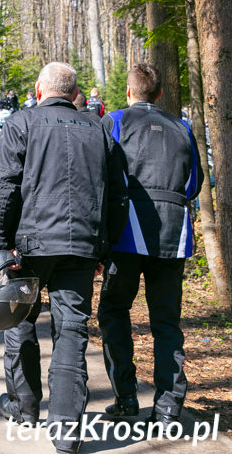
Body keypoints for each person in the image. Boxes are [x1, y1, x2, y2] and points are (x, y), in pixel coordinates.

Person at [0, 62, 128, 454]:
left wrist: (0, 243)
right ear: (73, 92)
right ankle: (66, 431)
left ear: (38, 89)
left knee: (20, 319)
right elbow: (118, 195)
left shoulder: (22, 123)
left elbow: (5, 189)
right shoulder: (100, 130)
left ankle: (25, 405)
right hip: (81, 246)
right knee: (71, 332)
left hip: (30, 246)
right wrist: (106, 247)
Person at [97, 63, 203, 430]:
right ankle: (169, 405)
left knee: (113, 311)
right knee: (166, 322)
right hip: (173, 234)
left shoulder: (114, 121)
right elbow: (193, 185)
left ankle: (126, 398)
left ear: (129, 92)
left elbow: (102, 176)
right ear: (159, 93)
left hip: (126, 231)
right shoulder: (183, 127)